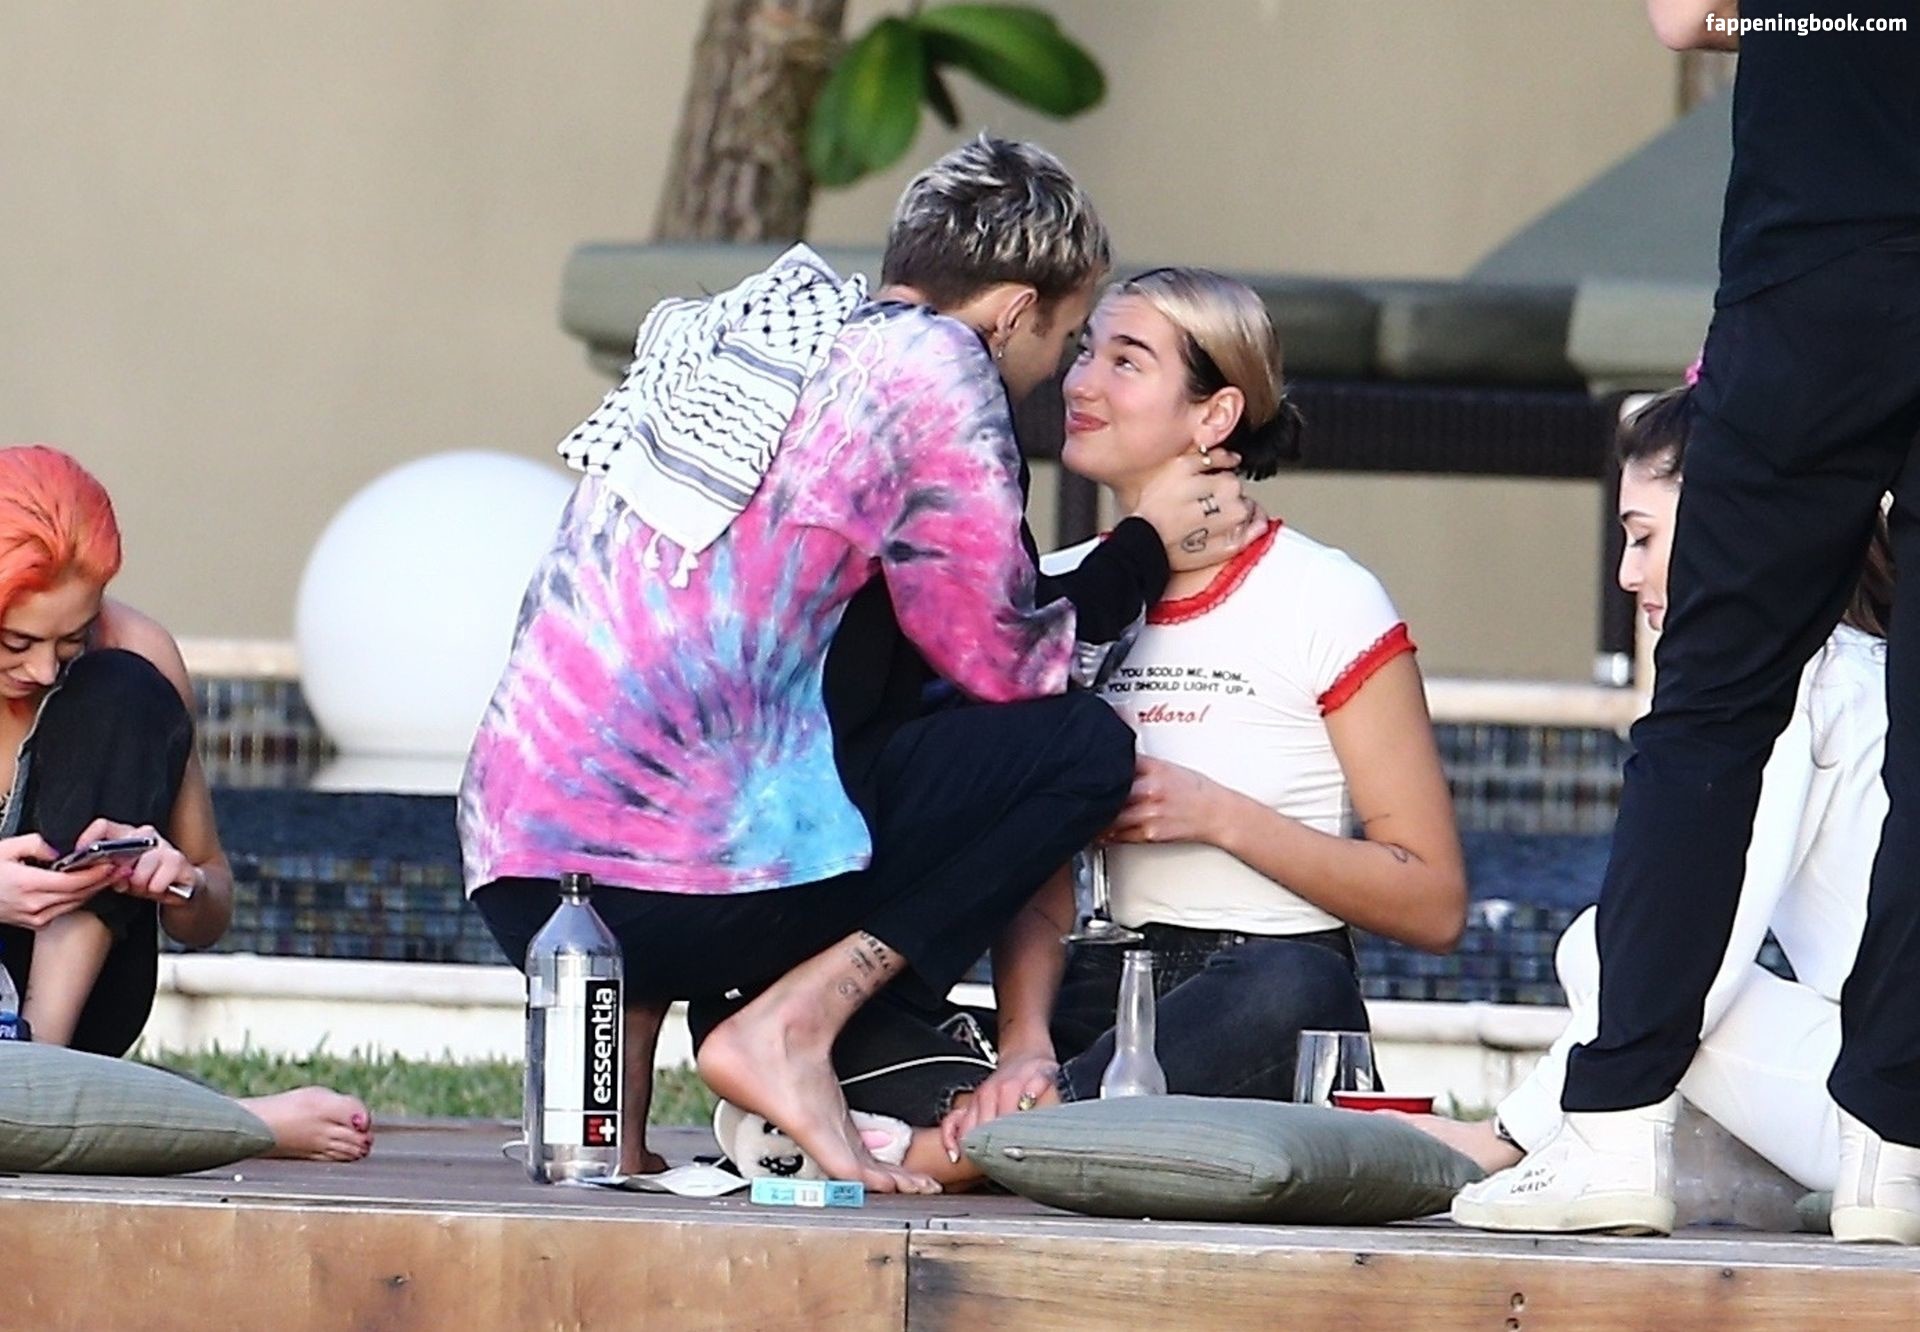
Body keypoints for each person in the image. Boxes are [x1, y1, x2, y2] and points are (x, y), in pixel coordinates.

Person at [459, 138, 1262, 1193]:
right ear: (1015, 312)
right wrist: (1145, 548)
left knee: (764, 692)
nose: (1059, 373)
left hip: (528, 884)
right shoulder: (933, 368)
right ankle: (796, 1027)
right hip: (681, 890)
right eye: (1068, 338)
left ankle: (618, 1127)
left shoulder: (759, 337)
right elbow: (1011, 664)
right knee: (1078, 750)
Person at [804, 268, 1466, 1187]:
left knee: (1294, 992)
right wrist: (1024, 1043)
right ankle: (1041, 1122)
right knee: (833, 999)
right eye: (1084, 352)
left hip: (1250, 991)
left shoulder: (1327, 596)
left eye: (1126, 361)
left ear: (1215, 415)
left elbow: (1433, 903)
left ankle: (969, 1148)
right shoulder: (1060, 594)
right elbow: (1028, 872)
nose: (1081, 383)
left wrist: (1215, 814)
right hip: (1089, 994)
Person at [1453, 1, 1920, 1243]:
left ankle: (1612, 1130)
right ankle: (1897, 1157)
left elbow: (1682, 14)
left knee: (1712, 709)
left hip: (1821, 252)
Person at [1413, 388, 1888, 1199]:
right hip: (1889, 1089)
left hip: (1893, 1114)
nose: (1628, 575)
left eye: (1643, 537)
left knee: (1615, 947)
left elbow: (1698, 947)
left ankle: (1573, 1150)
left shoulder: (1790, 683)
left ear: (1724, 520)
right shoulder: (1862, 665)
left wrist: (1507, 1135)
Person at [0, 444, 372, 1162]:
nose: (44, 669)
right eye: (16, 641)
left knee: (122, 687)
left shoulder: (134, 649)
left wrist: (178, 880)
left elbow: (209, 906)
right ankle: (229, 1120)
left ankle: (37, 1079)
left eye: (70, 640)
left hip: (68, 1019)